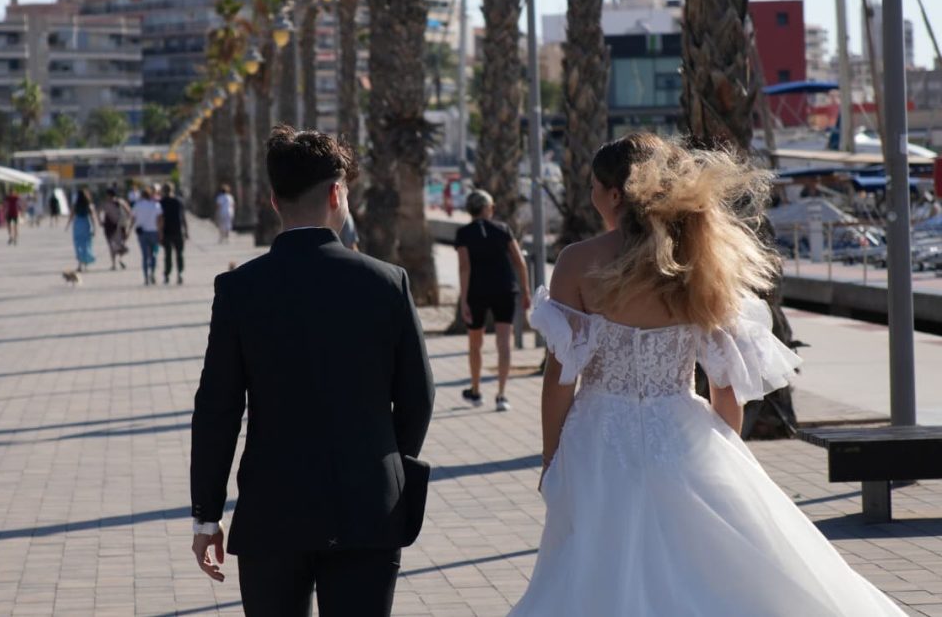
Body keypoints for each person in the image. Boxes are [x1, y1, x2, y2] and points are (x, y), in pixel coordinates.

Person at [508, 134, 904, 616]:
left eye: (593, 186)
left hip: (598, 436)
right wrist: (725, 452)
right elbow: (725, 385)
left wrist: (552, 459)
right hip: (682, 432)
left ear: (614, 194)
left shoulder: (577, 261)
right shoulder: (699, 260)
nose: (590, 195)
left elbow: (560, 378)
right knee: (709, 566)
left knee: (594, 561)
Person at [190, 126, 435, 617]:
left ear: (273, 200)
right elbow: (418, 396)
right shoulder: (387, 283)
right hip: (369, 506)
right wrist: (383, 460)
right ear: (337, 193)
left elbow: (217, 410)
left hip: (272, 511)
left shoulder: (239, 289)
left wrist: (206, 517)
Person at [454, 189, 531, 412]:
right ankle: (502, 395)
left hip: (477, 292)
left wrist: (464, 300)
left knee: (475, 343)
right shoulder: (503, 229)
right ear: (488, 208)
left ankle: (476, 391)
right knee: (503, 343)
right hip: (505, 289)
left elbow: (464, 267)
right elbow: (519, 262)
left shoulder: (464, 233)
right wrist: (525, 290)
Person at [131, 187, 162, 285]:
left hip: (142, 233)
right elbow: (160, 219)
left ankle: (145, 278)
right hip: (154, 232)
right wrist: (160, 232)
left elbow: (133, 218)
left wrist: (129, 230)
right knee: (153, 255)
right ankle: (152, 273)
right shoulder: (156, 205)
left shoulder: (137, 205)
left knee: (144, 256)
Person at [159, 183, 189, 285]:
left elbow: (160, 219)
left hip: (166, 232)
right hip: (178, 231)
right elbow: (183, 217)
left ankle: (167, 275)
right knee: (179, 254)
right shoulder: (179, 201)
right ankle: (180, 273)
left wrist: (159, 233)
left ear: (163, 191)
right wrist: (186, 231)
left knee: (167, 255)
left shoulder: (161, 202)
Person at [65, 189, 98, 272]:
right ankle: (86, 264)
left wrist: (67, 225)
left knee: (78, 244)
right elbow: (93, 217)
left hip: (77, 224)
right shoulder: (89, 205)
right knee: (86, 244)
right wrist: (95, 228)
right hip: (85, 224)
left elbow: (71, 215)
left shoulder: (76, 205)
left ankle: (80, 265)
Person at [100, 188, 132, 270]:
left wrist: (100, 221)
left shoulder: (106, 203)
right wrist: (126, 221)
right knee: (121, 244)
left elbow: (98, 211)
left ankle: (114, 264)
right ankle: (120, 259)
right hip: (120, 226)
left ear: (108, 195)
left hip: (109, 226)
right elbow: (129, 212)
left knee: (111, 245)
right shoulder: (121, 202)